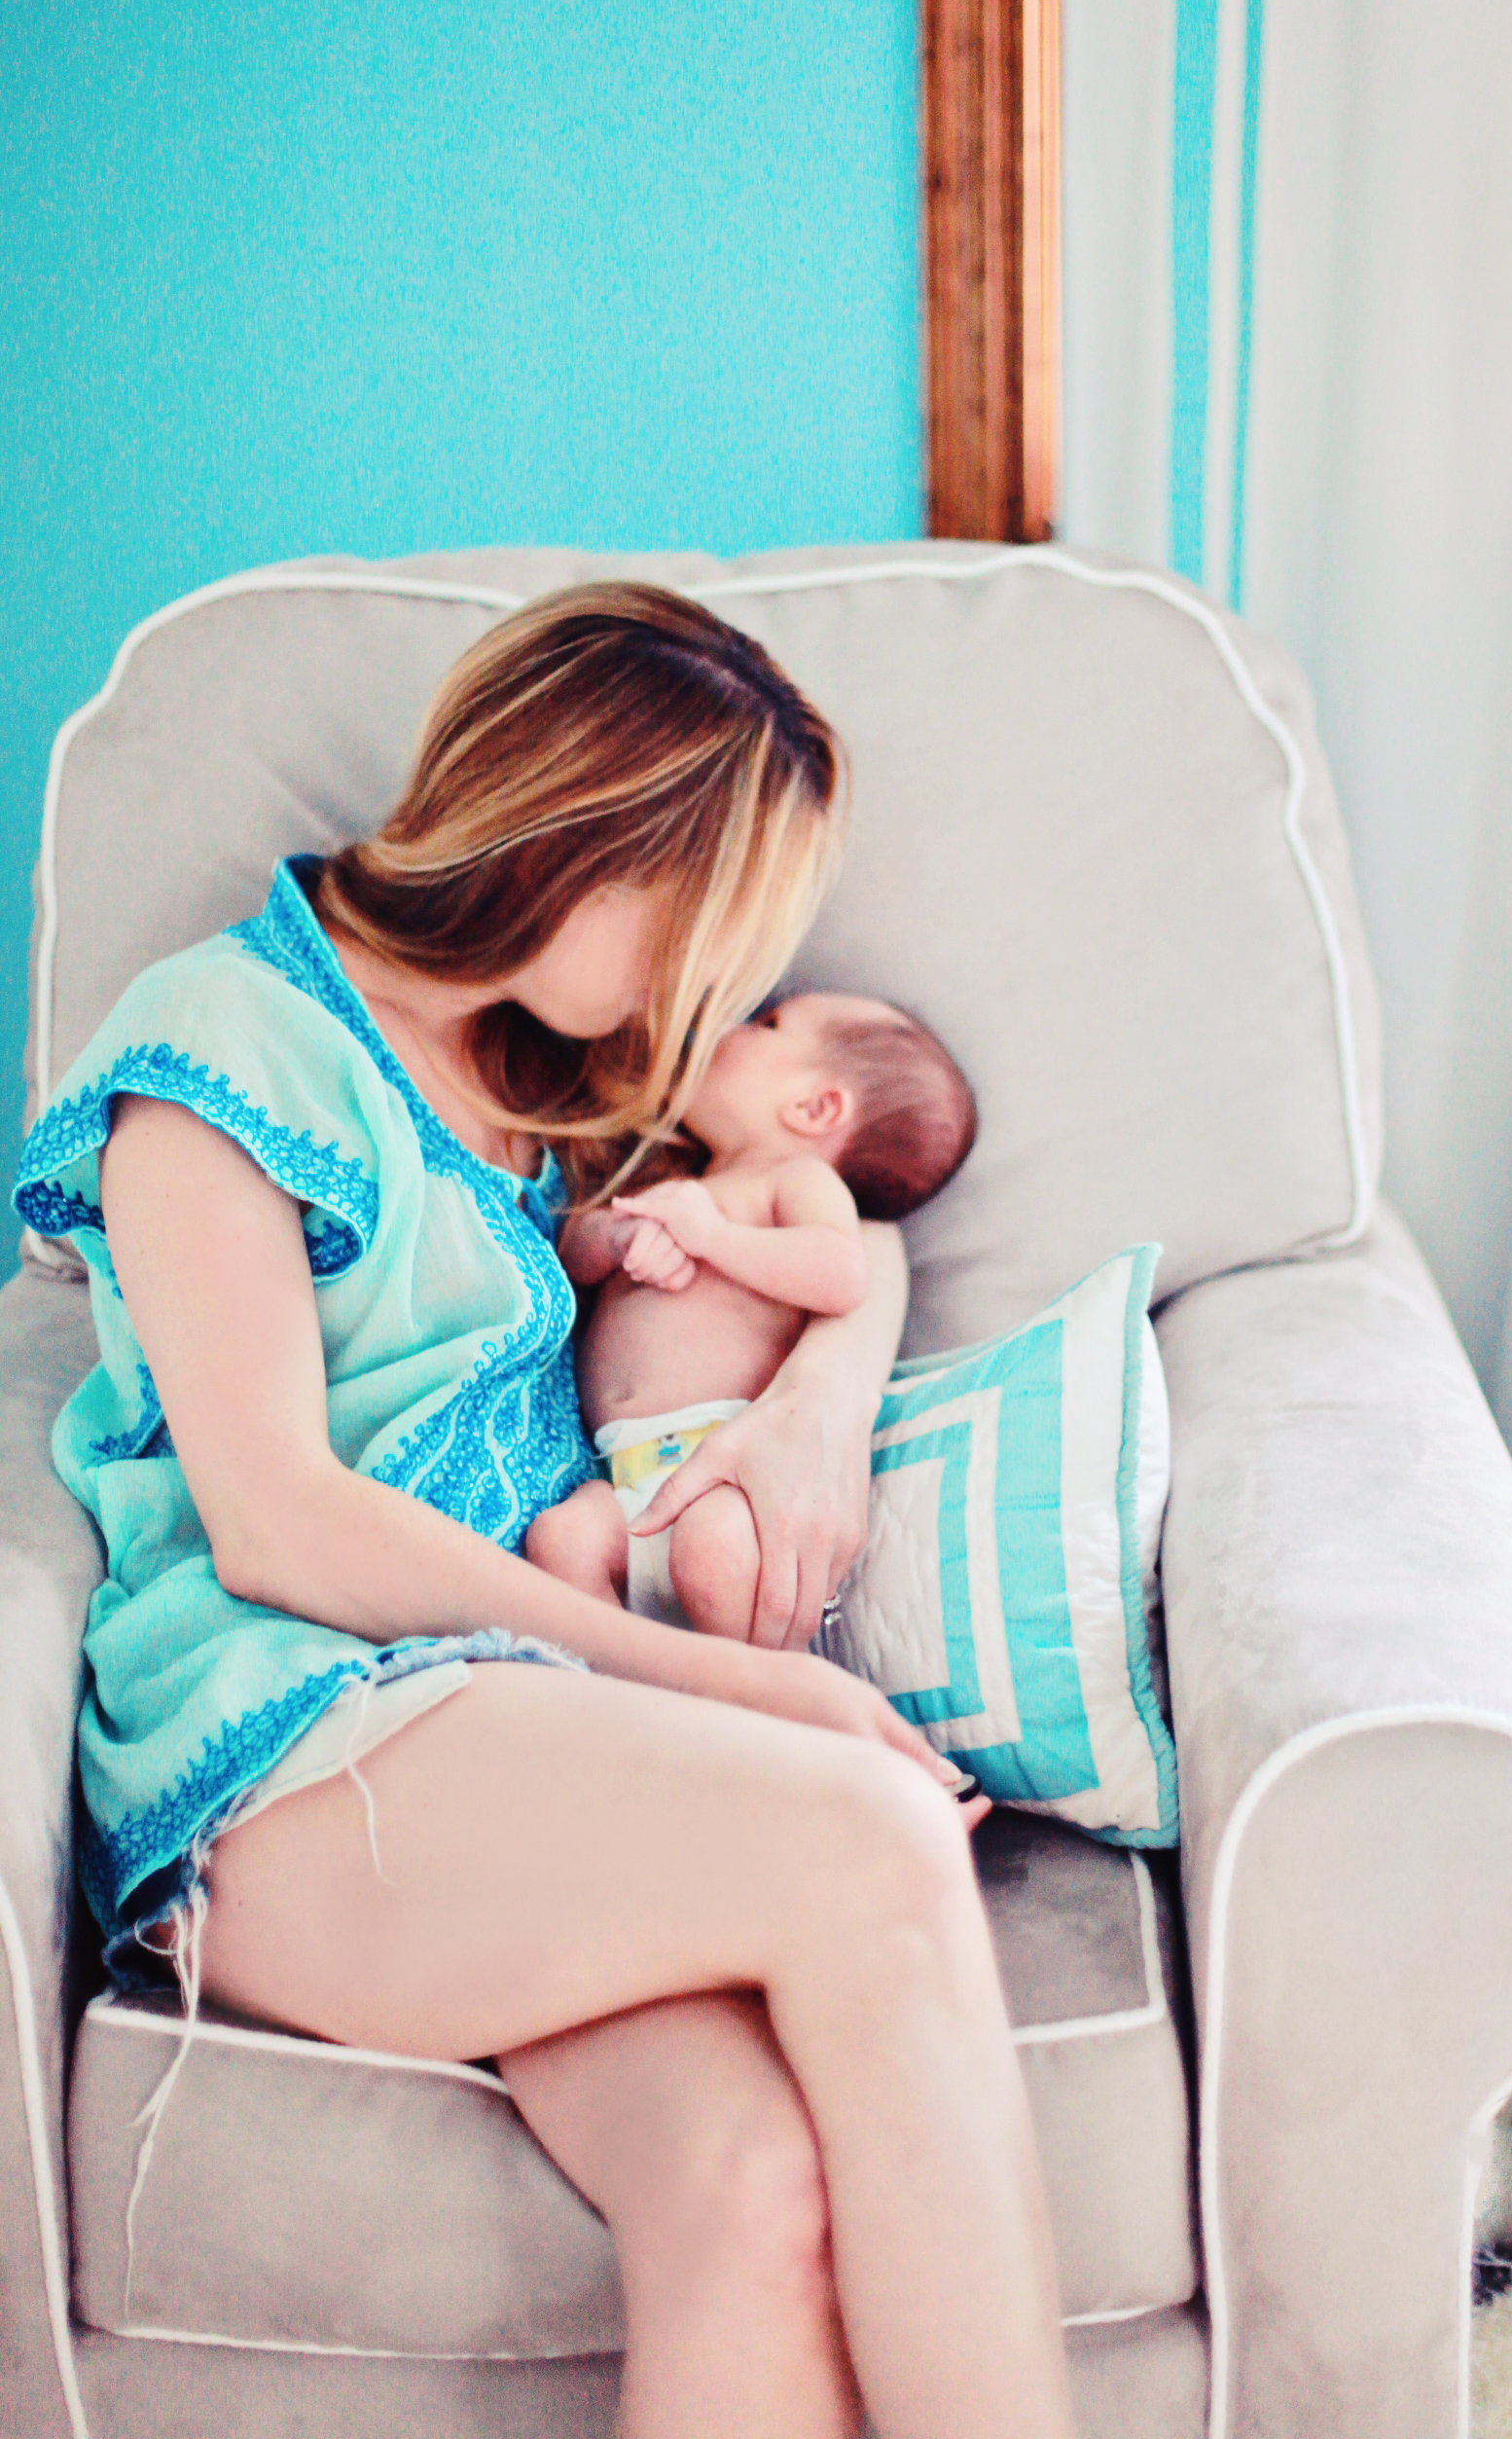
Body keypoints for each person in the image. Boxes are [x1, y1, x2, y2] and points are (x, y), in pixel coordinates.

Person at [15, 583, 1075, 2439]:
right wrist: (735, 1681)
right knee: (878, 1841)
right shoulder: (220, 1043)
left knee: (753, 2193)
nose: (703, 1004)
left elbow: (846, 1230)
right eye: (702, 939)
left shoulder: (558, 1083)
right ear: (583, 842)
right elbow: (276, 1521)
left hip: (522, 1739)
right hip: (293, 1735)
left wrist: (820, 1412)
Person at [525, 989, 977, 1639]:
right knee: (560, 1537)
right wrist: (618, 1239)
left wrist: (714, 1239)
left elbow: (841, 1274)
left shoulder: (796, 1184)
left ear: (815, 1107)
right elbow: (569, 1258)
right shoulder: (679, 1181)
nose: (730, 1026)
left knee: (712, 1555)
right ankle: (620, 1672)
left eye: (768, 1023)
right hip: (624, 1481)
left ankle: (749, 1686)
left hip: (728, 1478)